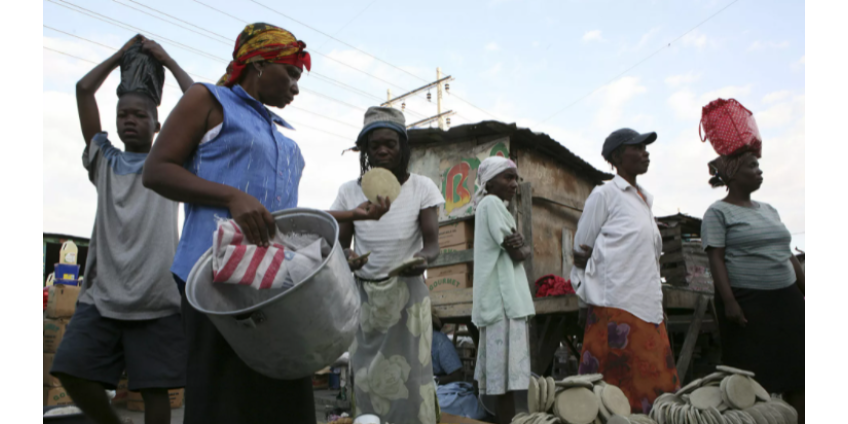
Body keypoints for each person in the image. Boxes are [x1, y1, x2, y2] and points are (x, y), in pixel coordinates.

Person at [142, 24, 386, 423]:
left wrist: (347, 216)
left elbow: (277, 219)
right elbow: (156, 170)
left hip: (273, 286)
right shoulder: (207, 100)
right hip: (214, 280)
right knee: (221, 399)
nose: (295, 87)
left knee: (284, 393)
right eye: (290, 74)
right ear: (257, 64)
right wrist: (230, 196)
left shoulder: (282, 138)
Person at [50, 35, 193, 424]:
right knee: (71, 370)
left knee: (155, 392)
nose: (129, 120)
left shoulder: (169, 167)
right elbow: (83, 89)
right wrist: (118, 57)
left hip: (158, 300)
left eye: (139, 115)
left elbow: (197, 98)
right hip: (103, 299)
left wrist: (166, 57)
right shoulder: (105, 162)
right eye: (122, 114)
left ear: (157, 123)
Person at [330, 106, 444, 424]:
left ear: (402, 147)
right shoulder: (350, 191)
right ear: (365, 149)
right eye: (374, 144)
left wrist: (422, 259)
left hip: (408, 295)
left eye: (390, 144)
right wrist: (349, 257)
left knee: (412, 377)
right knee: (367, 377)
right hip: (365, 298)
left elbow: (433, 244)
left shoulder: (421, 188)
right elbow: (341, 244)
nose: (381, 150)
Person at [570, 128, 679, 414]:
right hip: (616, 309)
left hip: (648, 310)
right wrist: (591, 292)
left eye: (646, 147)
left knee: (655, 396)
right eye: (638, 147)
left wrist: (658, 302)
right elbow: (582, 248)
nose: (645, 152)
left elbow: (648, 260)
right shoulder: (605, 194)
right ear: (618, 156)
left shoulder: (643, 200)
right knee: (613, 399)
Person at [702, 150, 805, 423]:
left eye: (759, 165)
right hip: (749, 302)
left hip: (787, 299)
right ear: (733, 174)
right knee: (753, 379)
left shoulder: (769, 209)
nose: (759, 171)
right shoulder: (717, 212)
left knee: (799, 373)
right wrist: (730, 301)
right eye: (752, 166)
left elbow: (787, 253)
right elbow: (716, 258)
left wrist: (806, 290)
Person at [471, 157, 535, 424]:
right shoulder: (492, 203)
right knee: (505, 384)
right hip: (503, 303)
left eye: (515, 178)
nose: (514, 184)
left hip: (499, 303)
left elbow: (515, 248)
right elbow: (518, 253)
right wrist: (526, 247)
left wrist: (521, 245)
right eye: (508, 177)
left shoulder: (492, 207)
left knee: (503, 383)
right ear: (489, 182)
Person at [431, 313, 489, 420]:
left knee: (435, 406)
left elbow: (456, 376)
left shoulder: (439, 342)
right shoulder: (409, 342)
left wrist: (433, 380)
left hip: (441, 389)